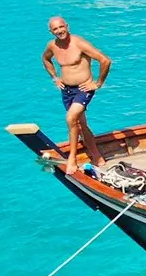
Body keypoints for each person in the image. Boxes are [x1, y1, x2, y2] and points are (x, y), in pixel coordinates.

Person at [41, 16, 111, 174]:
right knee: (80, 124)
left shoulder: (79, 43)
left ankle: (72, 158)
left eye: (61, 27)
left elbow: (105, 60)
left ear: (67, 26)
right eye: (55, 29)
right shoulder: (52, 46)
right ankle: (97, 156)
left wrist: (98, 83)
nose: (59, 31)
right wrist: (55, 77)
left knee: (71, 118)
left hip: (83, 89)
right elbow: (45, 59)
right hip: (66, 90)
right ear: (51, 31)